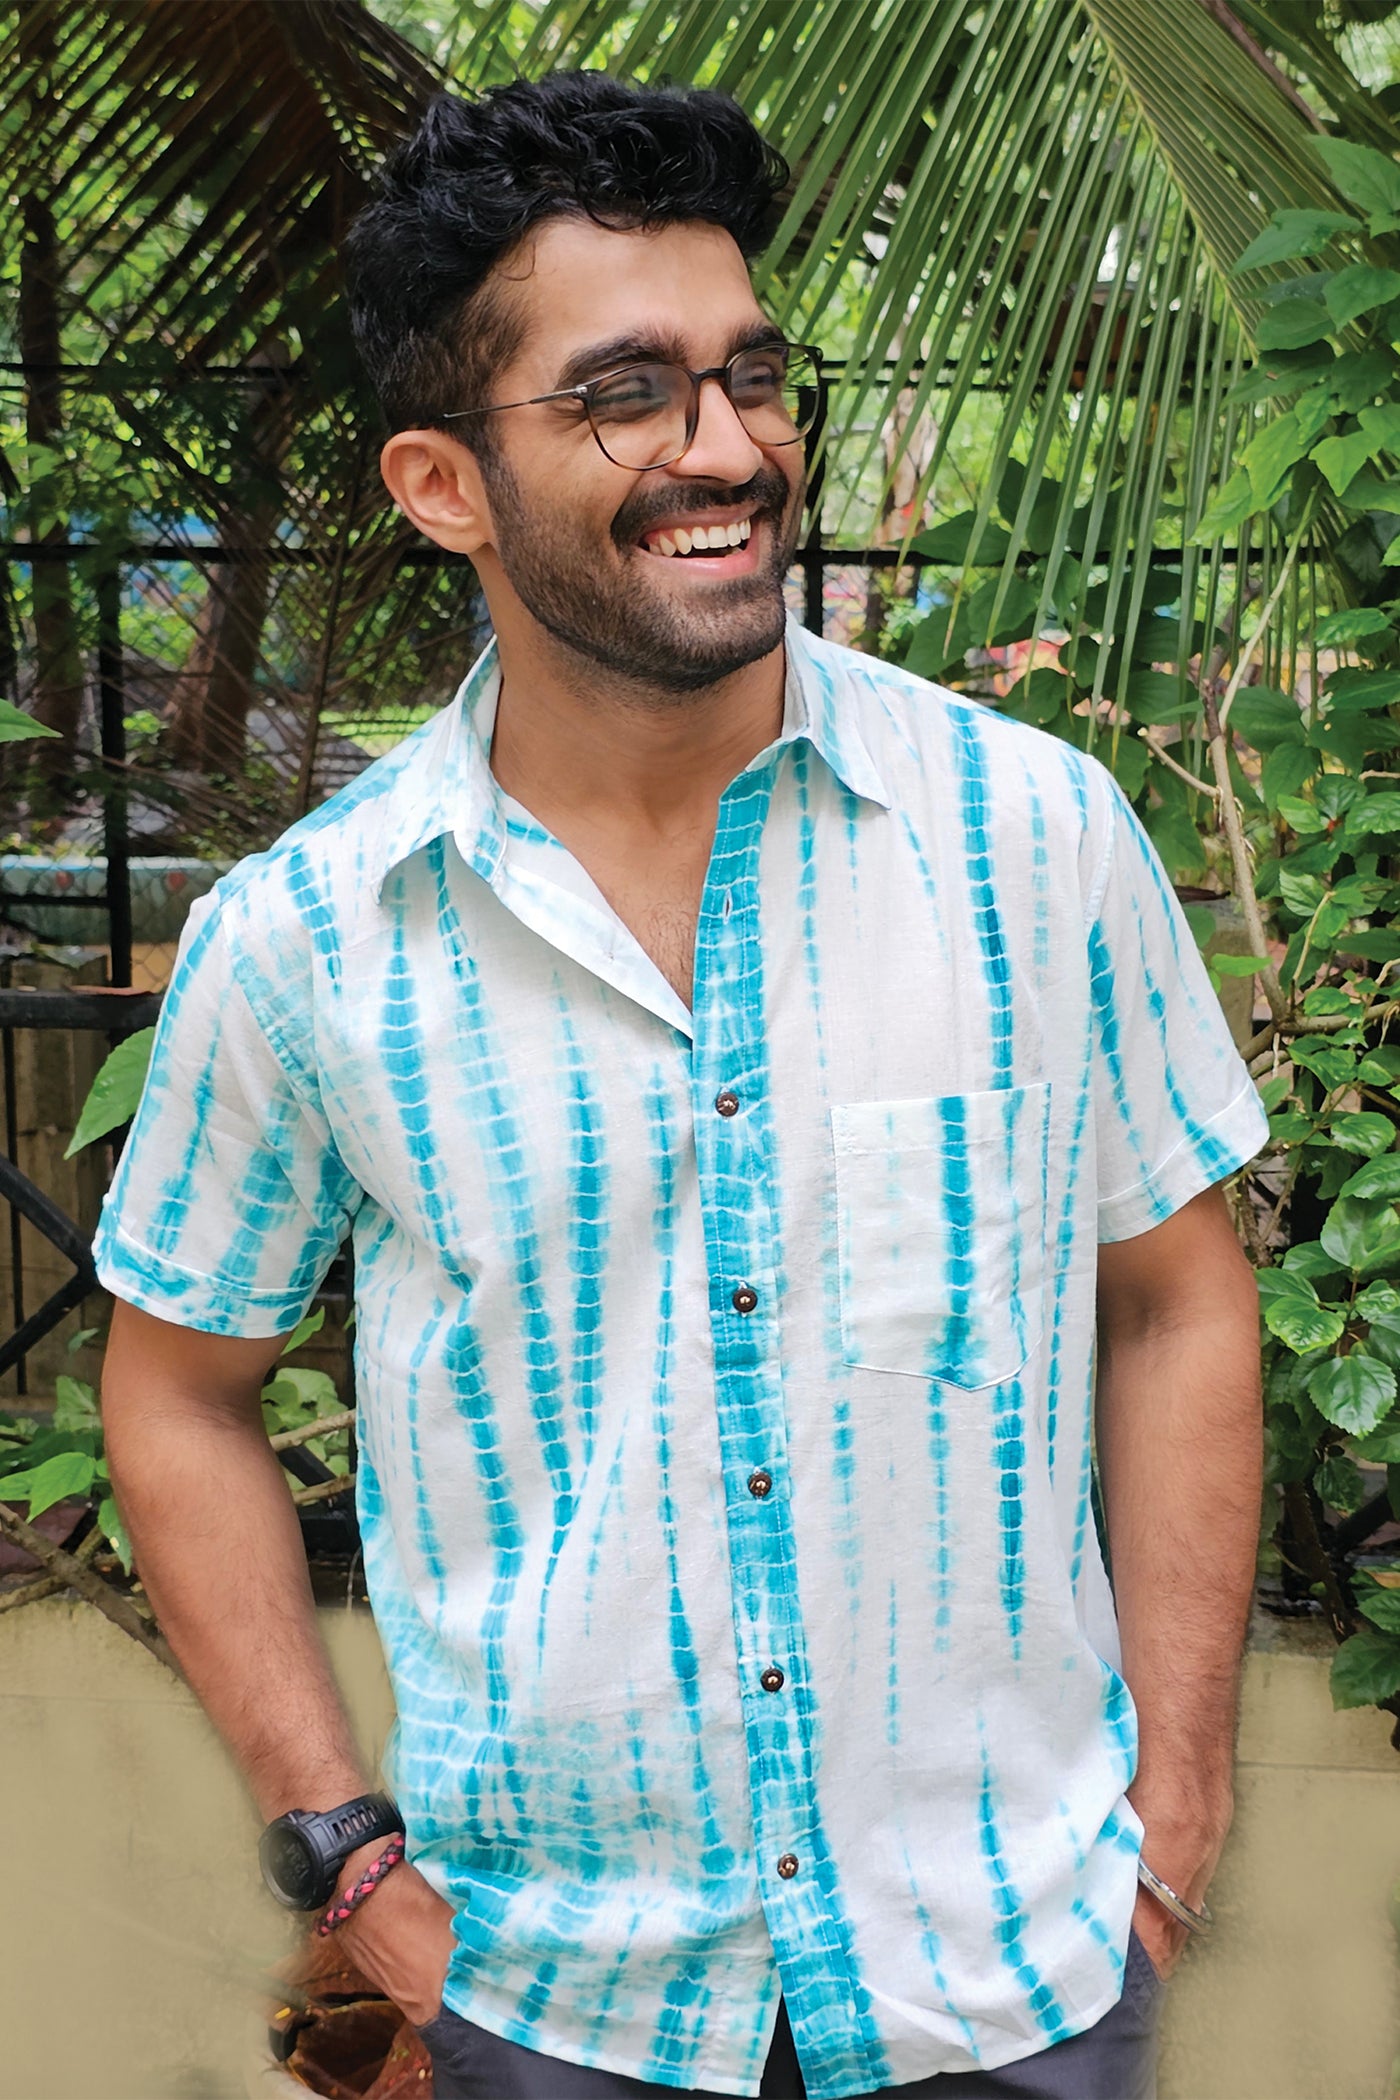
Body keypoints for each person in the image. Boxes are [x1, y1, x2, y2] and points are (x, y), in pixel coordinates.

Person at [97, 71, 1267, 2100]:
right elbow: (177, 1387)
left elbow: (1171, 1301)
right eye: (626, 395)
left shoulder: (1031, 841)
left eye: (749, 376)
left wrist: (1173, 1808)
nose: (725, 450)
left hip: (1015, 1978)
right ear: (441, 485)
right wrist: (341, 1846)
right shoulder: (305, 942)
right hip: (553, 2008)